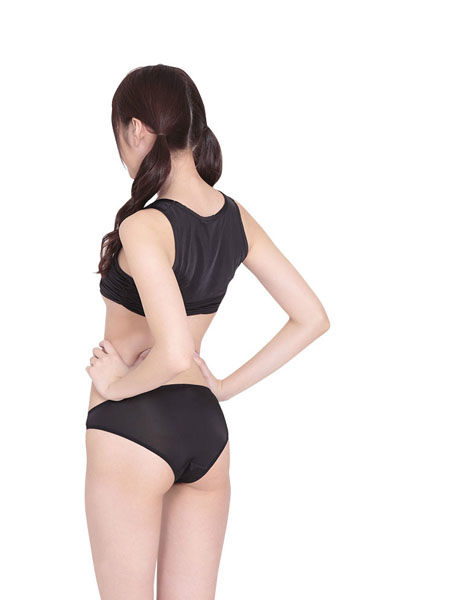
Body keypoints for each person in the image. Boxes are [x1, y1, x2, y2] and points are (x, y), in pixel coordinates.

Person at [84, 64, 330, 599]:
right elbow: (312, 317)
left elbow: (173, 352)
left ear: (137, 129)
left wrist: (116, 385)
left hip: (132, 431)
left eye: (118, 136)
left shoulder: (145, 226)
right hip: (204, 431)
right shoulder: (235, 218)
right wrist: (221, 388)